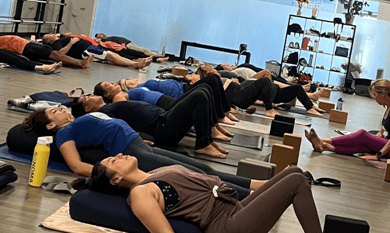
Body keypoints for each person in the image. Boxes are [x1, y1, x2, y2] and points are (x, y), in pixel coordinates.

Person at [22, 107, 267, 200]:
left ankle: (259, 185)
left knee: (204, 169)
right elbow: (76, 166)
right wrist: (115, 172)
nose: (60, 107)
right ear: (51, 125)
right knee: (200, 177)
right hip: (129, 152)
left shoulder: (78, 119)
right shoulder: (64, 134)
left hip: (136, 145)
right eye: (54, 111)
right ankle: (251, 197)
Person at [74, 155, 322, 233]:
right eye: (113, 161)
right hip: (226, 226)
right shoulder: (140, 195)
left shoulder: (154, 173)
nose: (119, 155)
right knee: (297, 182)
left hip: (234, 207)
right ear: (116, 179)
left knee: (296, 172)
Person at [73, 88, 233, 153]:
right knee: (199, 96)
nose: (91, 95)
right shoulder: (104, 112)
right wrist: (139, 139)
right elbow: (116, 128)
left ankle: (207, 138)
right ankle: (203, 144)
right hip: (163, 128)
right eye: (87, 98)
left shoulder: (108, 107)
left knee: (203, 90)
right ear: (87, 108)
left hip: (164, 120)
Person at [305, 79, 390, 161]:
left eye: (375, 95)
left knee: (362, 134)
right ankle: (325, 147)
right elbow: (382, 132)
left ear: (383, 94)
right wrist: (371, 143)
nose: (374, 98)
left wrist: (378, 155)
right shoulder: (389, 106)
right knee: (363, 144)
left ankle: (322, 140)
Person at [195, 64, 324, 117]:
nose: (208, 65)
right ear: (205, 72)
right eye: (205, 67)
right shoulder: (213, 79)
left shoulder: (219, 75)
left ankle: (310, 106)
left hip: (242, 90)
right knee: (265, 80)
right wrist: (232, 107)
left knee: (295, 88)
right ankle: (269, 110)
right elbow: (220, 97)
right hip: (239, 94)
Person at [117, 74, 238, 123]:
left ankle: (225, 111)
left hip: (184, 87)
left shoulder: (144, 86)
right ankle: (221, 115)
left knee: (214, 78)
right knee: (212, 79)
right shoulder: (137, 91)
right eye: (127, 81)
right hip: (183, 94)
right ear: (126, 87)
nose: (130, 79)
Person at [215, 63, 323, 101]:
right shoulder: (231, 73)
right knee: (279, 85)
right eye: (226, 66)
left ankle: (307, 93)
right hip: (253, 81)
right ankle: (308, 93)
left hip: (254, 79)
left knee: (278, 81)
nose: (230, 66)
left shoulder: (235, 70)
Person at [42, 34, 152, 69]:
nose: (52, 34)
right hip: (86, 51)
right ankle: (136, 64)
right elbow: (60, 54)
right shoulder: (56, 44)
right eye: (49, 35)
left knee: (112, 54)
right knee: (110, 56)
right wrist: (71, 42)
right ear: (49, 40)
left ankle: (136, 62)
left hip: (90, 47)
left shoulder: (60, 38)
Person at [0, 35, 94, 68]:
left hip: (26, 45)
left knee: (53, 56)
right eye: (49, 35)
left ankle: (78, 63)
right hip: (25, 47)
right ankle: (80, 63)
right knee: (54, 55)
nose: (51, 34)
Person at [95, 33, 166, 59]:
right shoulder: (106, 42)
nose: (102, 35)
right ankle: (158, 56)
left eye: (101, 34)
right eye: (99, 36)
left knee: (143, 51)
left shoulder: (109, 38)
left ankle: (158, 56)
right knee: (143, 51)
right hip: (127, 46)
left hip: (128, 43)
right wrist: (123, 45)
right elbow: (115, 46)